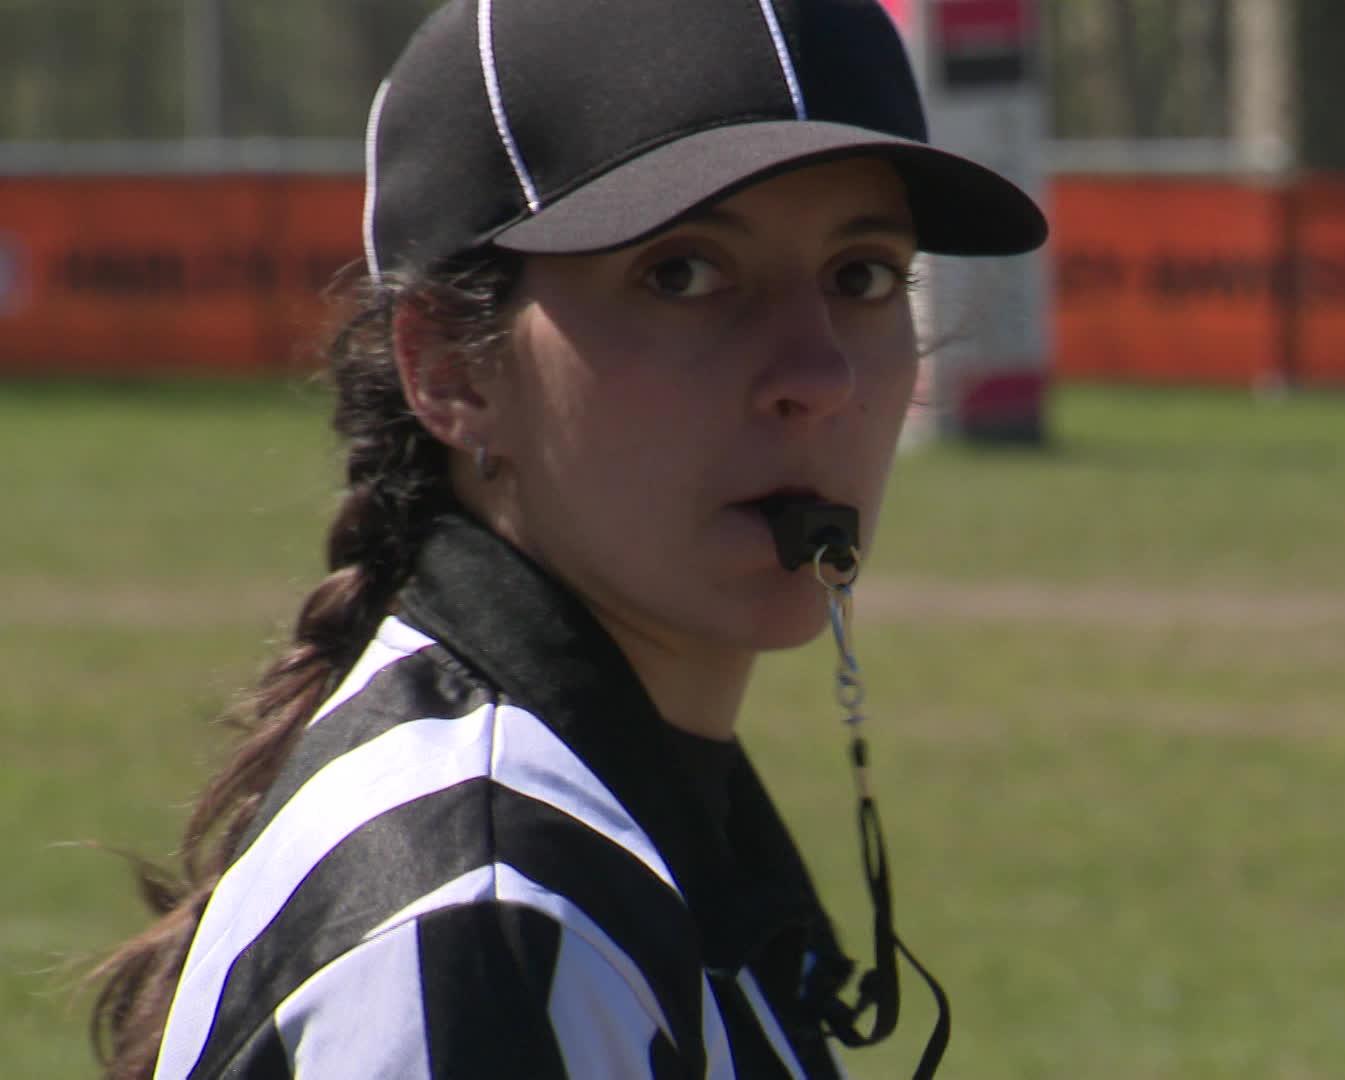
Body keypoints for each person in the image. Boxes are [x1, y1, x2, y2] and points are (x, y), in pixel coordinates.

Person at [87, 1, 1046, 1077]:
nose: (817, 377)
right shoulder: (486, 927)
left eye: (862, 274)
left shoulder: (609, 820)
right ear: (448, 367)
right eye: (683, 273)